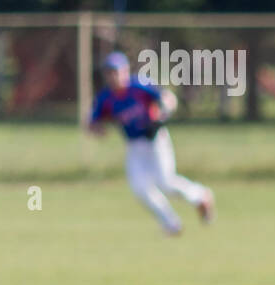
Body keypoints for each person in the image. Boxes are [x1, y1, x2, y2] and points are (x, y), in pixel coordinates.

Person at [87, 51, 215, 236]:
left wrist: (163, 111)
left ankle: (201, 196)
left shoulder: (139, 86)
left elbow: (168, 98)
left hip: (155, 139)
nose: (113, 76)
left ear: (125, 71)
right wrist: (97, 129)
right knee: (140, 188)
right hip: (134, 145)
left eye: (116, 71)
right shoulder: (106, 98)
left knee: (166, 183)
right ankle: (171, 224)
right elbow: (93, 123)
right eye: (109, 72)